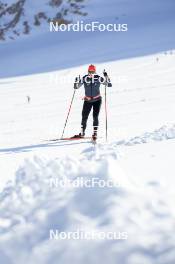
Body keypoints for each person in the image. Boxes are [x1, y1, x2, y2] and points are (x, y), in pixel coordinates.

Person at [74, 64, 112, 140]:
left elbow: (109, 85)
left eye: (92, 71)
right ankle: (82, 133)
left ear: (95, 71)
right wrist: (76, 82)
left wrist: (106, 76)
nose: (91, 73)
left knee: (95, 116)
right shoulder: (85, 78)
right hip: (87, 100)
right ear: (88, 71)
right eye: (90, 71)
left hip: (97, 100)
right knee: (84, 116)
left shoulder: (98, 78)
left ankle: (94, 133)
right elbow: (76, 87)